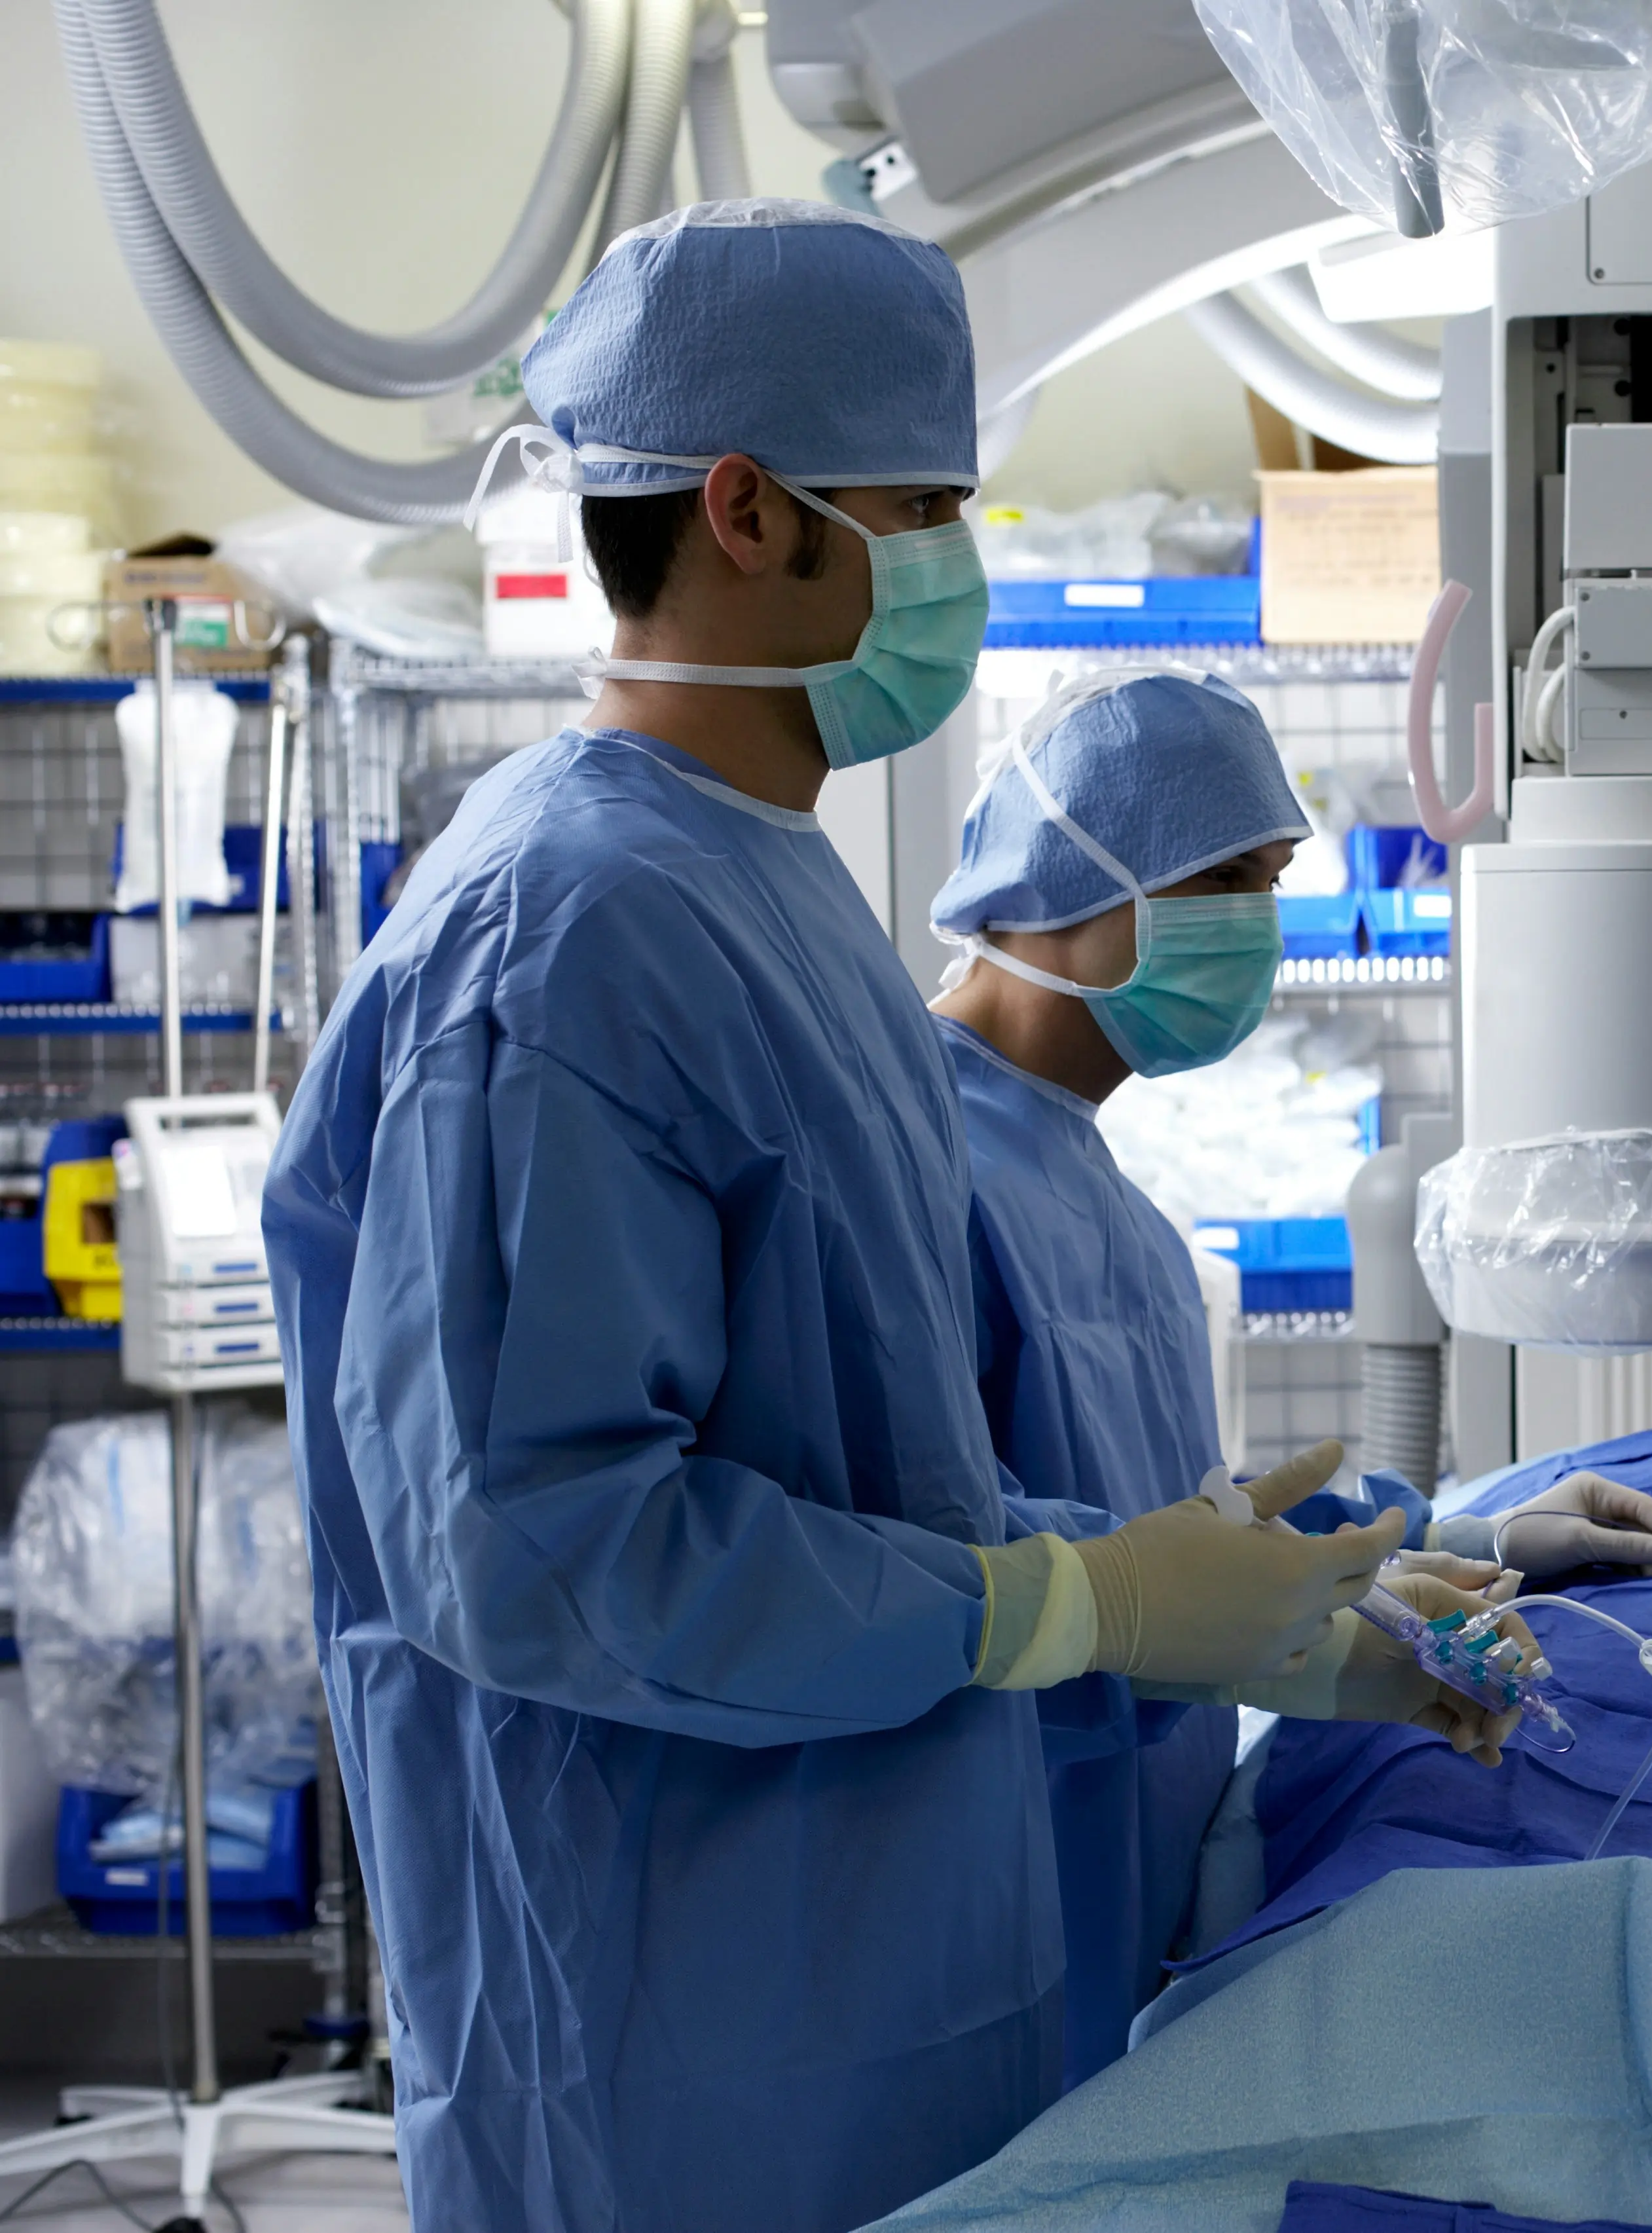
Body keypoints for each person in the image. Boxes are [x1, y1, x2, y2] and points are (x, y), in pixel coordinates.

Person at [263, 202, 1499, 2233]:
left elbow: (872, 1466)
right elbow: (533, 1538)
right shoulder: (566, 930)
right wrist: (1067, 1606)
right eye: (921, 501)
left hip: (891, 1970)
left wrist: (1189, 1598)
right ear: (746, 509)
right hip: (674, 2038)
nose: (957, 558)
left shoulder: (764, 886)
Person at [921, 669, 1652, 2082]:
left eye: (1273, 881)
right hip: (982, 1890)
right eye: (1224, 878)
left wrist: (1446, 1538)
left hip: (1111, 1869)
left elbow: (1170, 1513)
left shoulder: (1084, 1179)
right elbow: (953, 1567)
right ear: (1057, 881)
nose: (1257, 929)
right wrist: (1302, 1642)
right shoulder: (919, 1167)